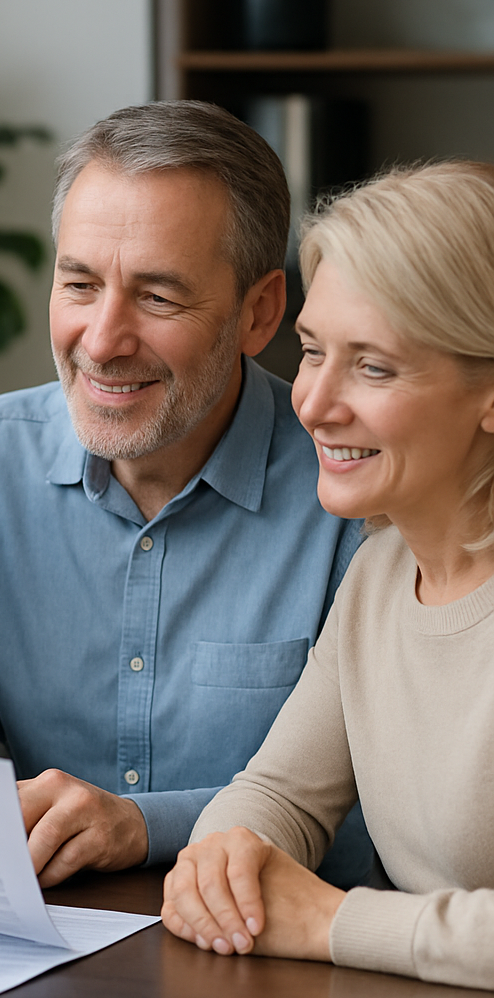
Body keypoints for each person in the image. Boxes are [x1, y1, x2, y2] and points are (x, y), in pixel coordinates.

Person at [0, 100, 370, 888]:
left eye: (158, 297)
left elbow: (376, 813)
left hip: (270, 931)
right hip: (34, 922)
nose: (101, 340)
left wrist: (142, 827)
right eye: (80, 284)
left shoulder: (351, 492)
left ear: (259, 312)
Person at [161, 160, 494, 991]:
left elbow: (327, 918)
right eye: (312, 352)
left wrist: (332, 922)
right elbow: (280, 794)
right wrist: (223, 862)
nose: (312, 403)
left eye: (373, 367)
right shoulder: (381, 571)